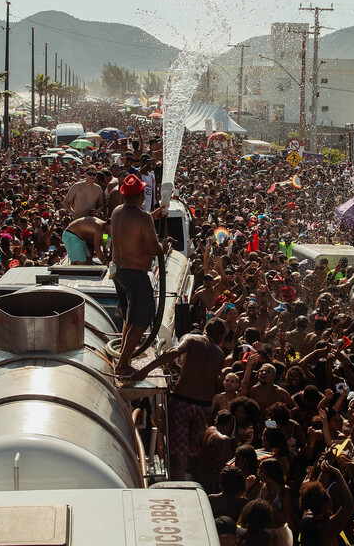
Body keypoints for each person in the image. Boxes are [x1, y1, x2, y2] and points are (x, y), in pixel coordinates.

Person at [133, 318, 227, 479]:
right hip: (203, 406)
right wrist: (178, 368)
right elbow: (208, 377)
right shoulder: (220, 354)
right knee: (194, 448)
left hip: (183, 402)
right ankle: (191, 480)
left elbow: (174, 352)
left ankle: (180, 483)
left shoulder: (192, 339)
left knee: (179, 451)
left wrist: (145, 370)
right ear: (220, 336)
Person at [110, 173, 169, 377]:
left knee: (130, 316)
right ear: (141, 194)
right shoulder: (142, 217)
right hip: (135, 274)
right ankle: (123, 363)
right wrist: (165, 245)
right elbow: (154, 249)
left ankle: (123, 355)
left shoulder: (117, 211)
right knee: (141, 319)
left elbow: (131, 227)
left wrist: (152, 216)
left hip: (119, 272)